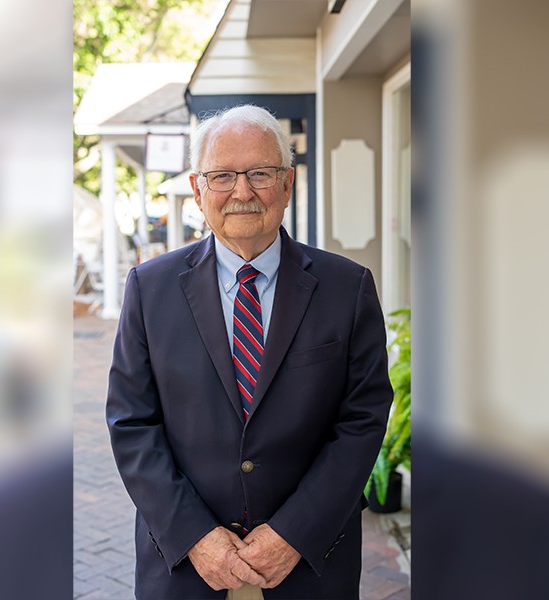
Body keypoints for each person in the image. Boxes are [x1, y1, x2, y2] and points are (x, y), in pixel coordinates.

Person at [106, 104, 393, 599]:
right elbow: (131, 423)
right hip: (186, 569)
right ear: (198, 190)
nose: (242, 192)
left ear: (287, 183)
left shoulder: (347, 288)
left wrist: (293, 534)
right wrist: (196, 537)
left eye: (260, 173)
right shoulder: (149, 289)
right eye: (222, 176)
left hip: (310, 566)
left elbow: (362, 420)